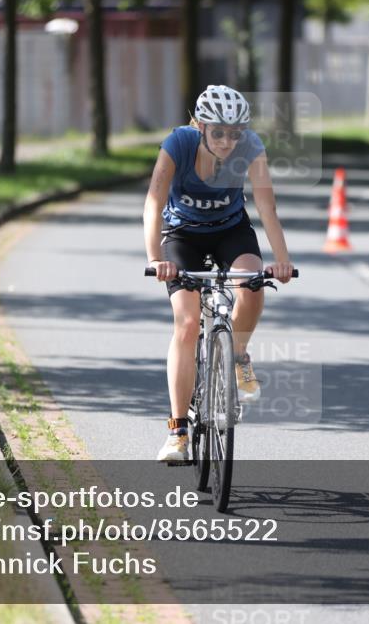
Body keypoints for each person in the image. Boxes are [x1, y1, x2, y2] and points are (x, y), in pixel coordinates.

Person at [143, 85, 294, 463]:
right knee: (187, 323)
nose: (228, 142)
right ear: (199, 125)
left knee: (253, 284)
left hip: (230, 230)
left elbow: (266, 207)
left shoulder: (251, 147)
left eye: (235, 133)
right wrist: (154, 258)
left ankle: (238, 353)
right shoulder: (177, 144)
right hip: (181, 235)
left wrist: (283, 259)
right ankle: (177, 431)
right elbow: (154, 202)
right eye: (218, 133)